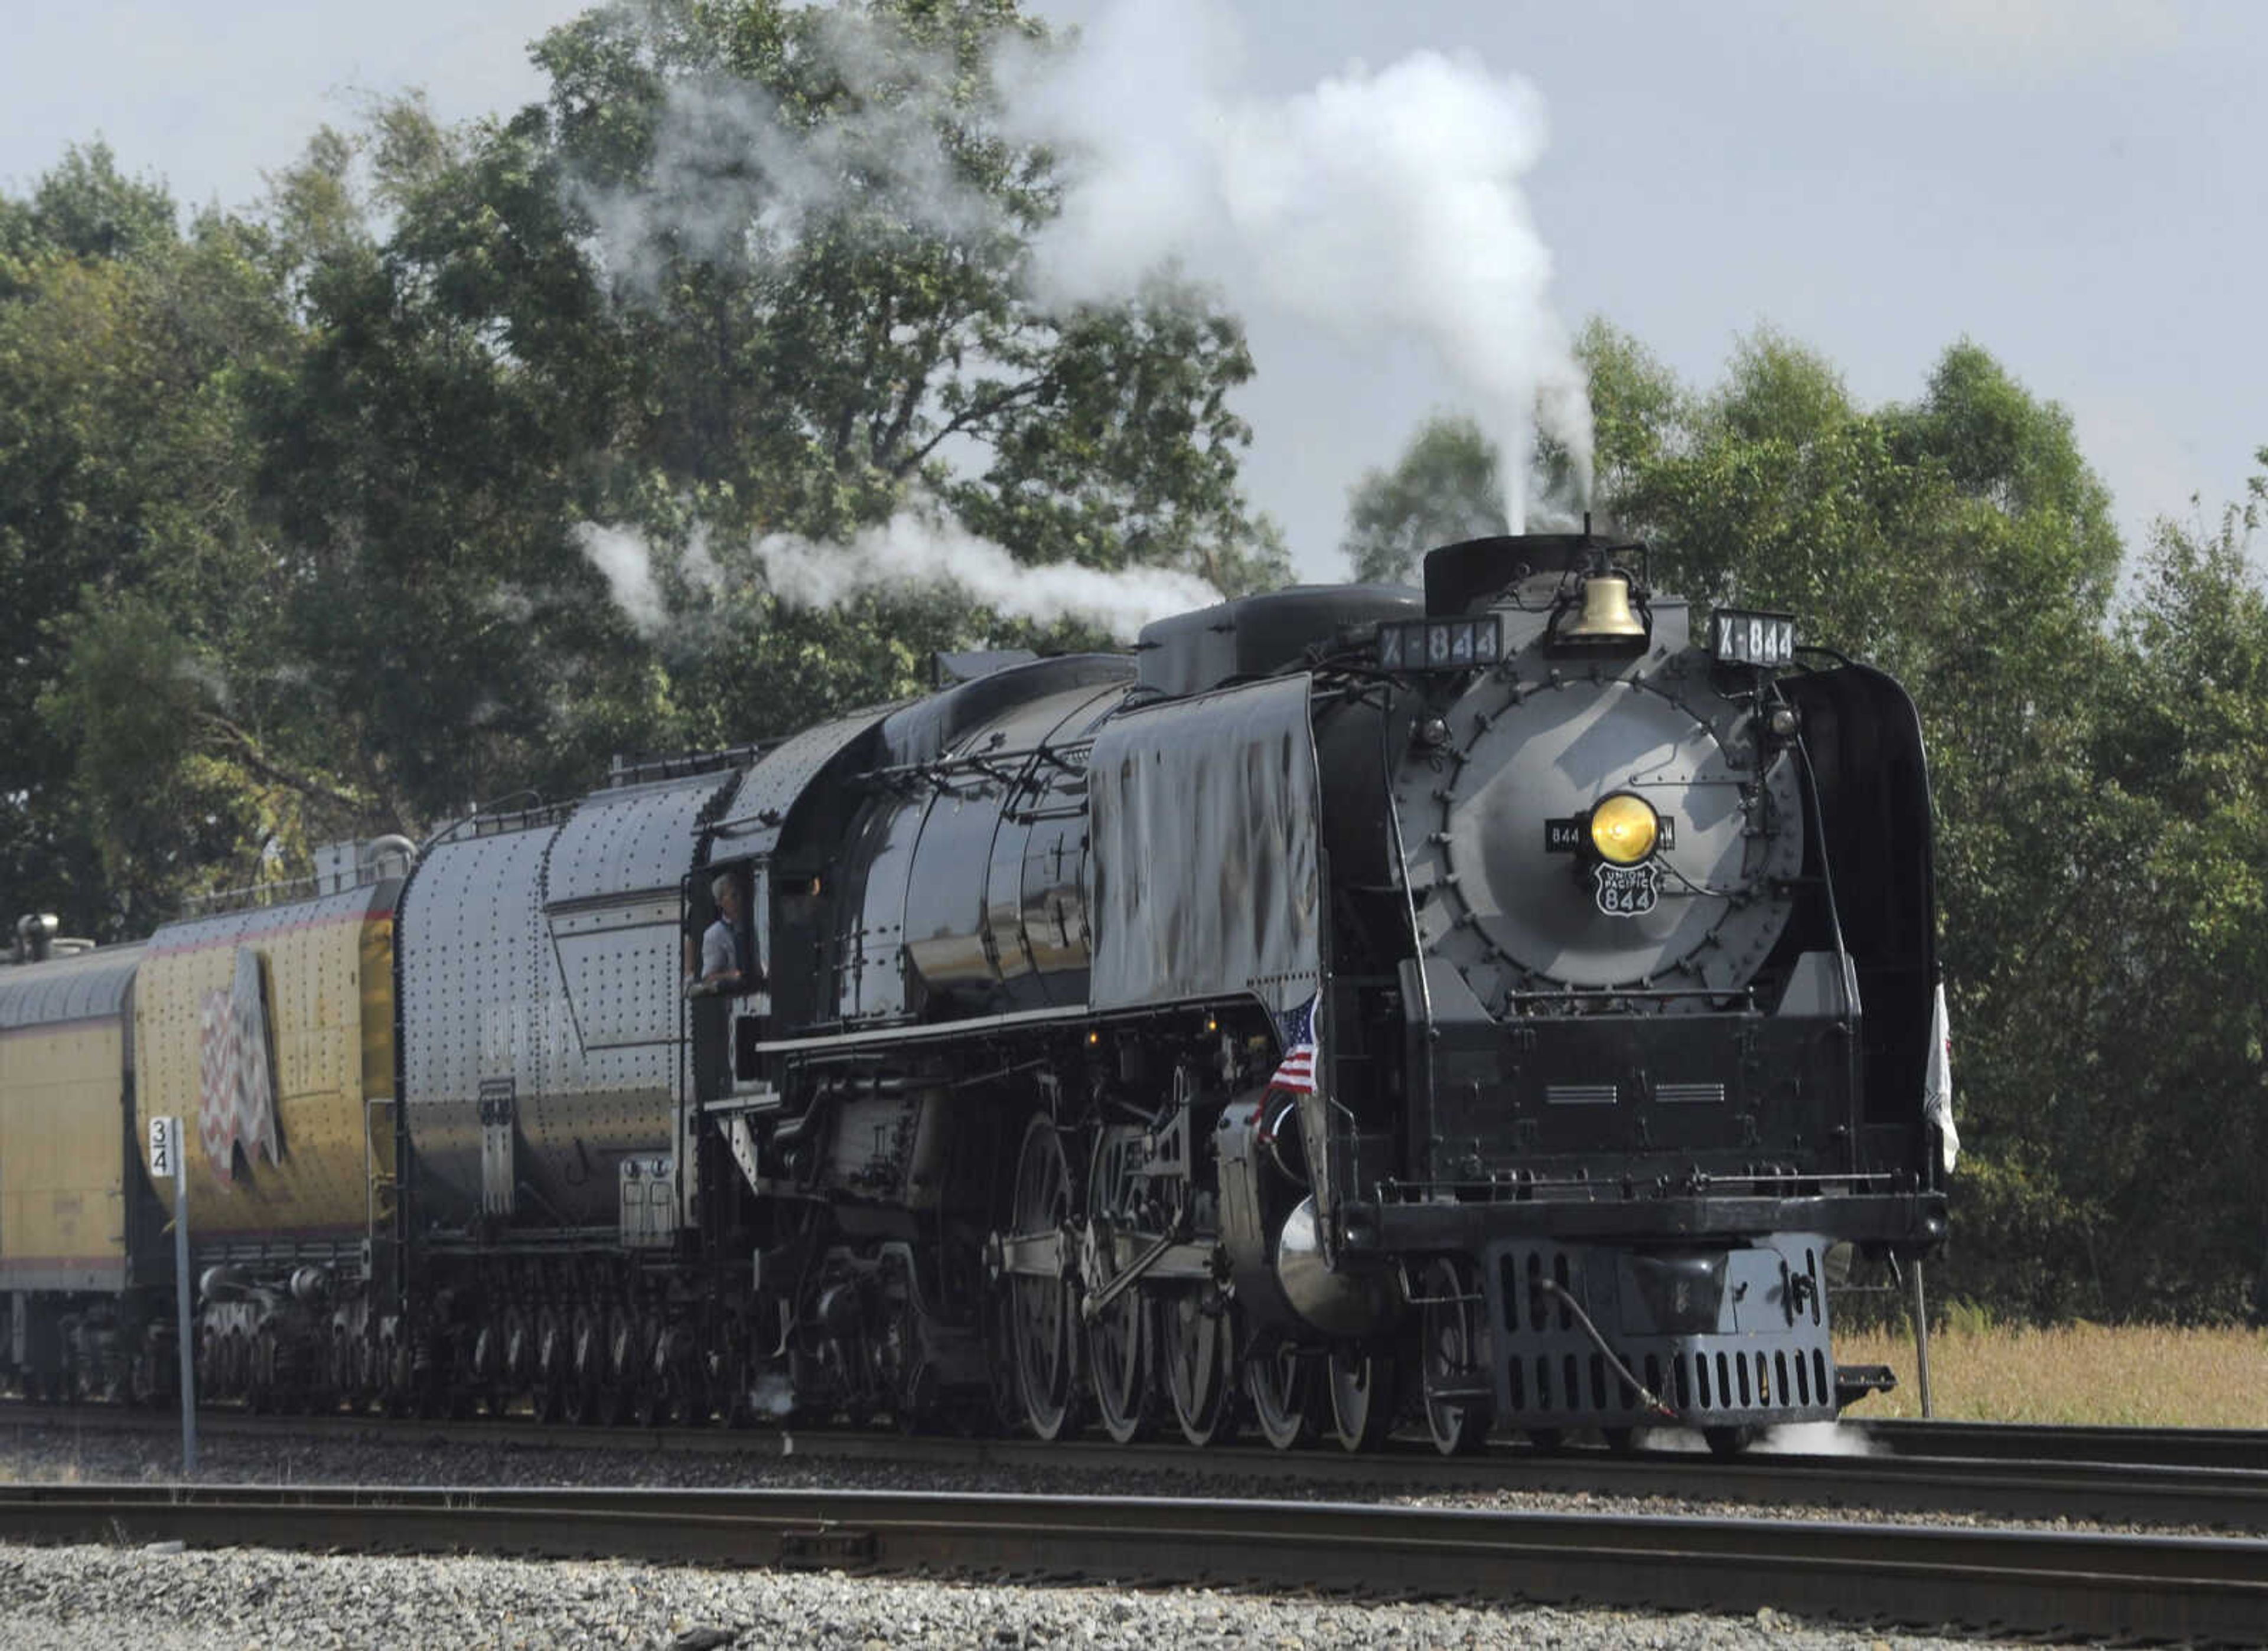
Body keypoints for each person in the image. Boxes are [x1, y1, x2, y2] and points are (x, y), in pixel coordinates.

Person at [697, 872, 763, 995]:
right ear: (720, 902)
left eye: (740, 894)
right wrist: (732, 976)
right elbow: (708, 979)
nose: (740, 900)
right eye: (733, 896)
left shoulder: (752, 928)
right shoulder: (714, 934)